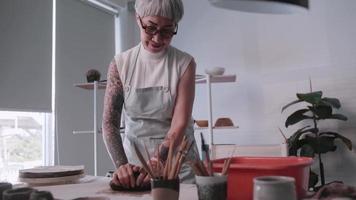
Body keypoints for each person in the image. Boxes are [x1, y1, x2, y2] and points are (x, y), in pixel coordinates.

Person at [102, 0, 198, 189]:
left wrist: (156, 163)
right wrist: (121, 166)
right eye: (151, 28)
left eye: (167, 31)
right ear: (138, 20)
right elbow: (109, 123)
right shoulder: (120, 64)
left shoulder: (185, 64)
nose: (157, 38)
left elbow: (179, 124)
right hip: (134, 169)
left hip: (176, 166)